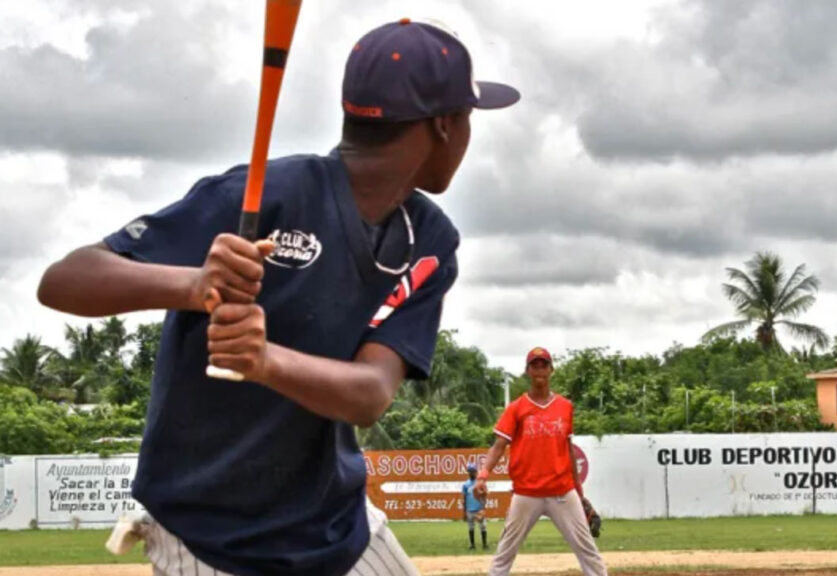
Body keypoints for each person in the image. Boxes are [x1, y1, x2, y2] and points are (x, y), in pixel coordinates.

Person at [37, 19, 518, 576]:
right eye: (468, 118)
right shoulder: (268, 193)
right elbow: (65, 279)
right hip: (207, 535)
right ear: (444, 125)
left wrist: (265, 361)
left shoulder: (429, 241)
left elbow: (368, 395)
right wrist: (194, 286)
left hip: (334, 527)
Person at [474, 348, 606, 576]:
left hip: (562, 491)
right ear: (527, 371)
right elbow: (498, 446)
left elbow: (568, 451)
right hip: (526, 493)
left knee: (588, 551)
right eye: (534, 365)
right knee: (505, 553)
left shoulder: (565, 407)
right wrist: (483, 475)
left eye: (543, 365)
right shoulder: (516, 408)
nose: (539, 370)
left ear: (551, 370)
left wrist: (580, 494)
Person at [461, 463, 488, 550]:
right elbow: (464, 498)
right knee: (471, 527)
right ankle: (472, 545)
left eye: (473, 471)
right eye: (469, 471)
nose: (471, 473)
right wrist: (464, 512)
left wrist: (483, 508)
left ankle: (484, 545)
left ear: (476, 472)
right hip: (469, 510)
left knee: (483, 527)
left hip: (478, 509)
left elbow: (485, 495)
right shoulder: (466, 484)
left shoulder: (480, 483)